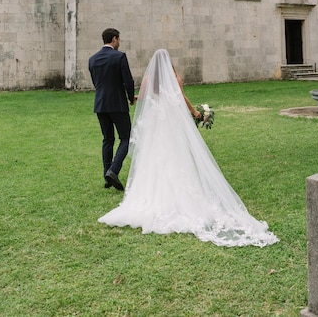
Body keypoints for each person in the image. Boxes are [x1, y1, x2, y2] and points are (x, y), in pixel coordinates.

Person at [98, 49, 278, 247]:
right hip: (170, 125)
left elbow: (143, 96)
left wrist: (133, 98)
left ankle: (149, 196)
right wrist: (196, 112)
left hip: (155, 127)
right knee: (176, 157)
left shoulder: (149, 79)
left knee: (153, 158)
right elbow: (180, 98)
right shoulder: (175, 77)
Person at [89, 28, 136, 191]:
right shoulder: (120, 56)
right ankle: (113, 170)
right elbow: (128, 81)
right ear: (114, 39)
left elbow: (96, 83)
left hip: (100, 104)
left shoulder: (92, 59)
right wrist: (131, 98)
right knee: (126, 137)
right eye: (119, 39)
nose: (119, 42)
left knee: (107, 139)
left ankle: (107, 176)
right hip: (117, 104)